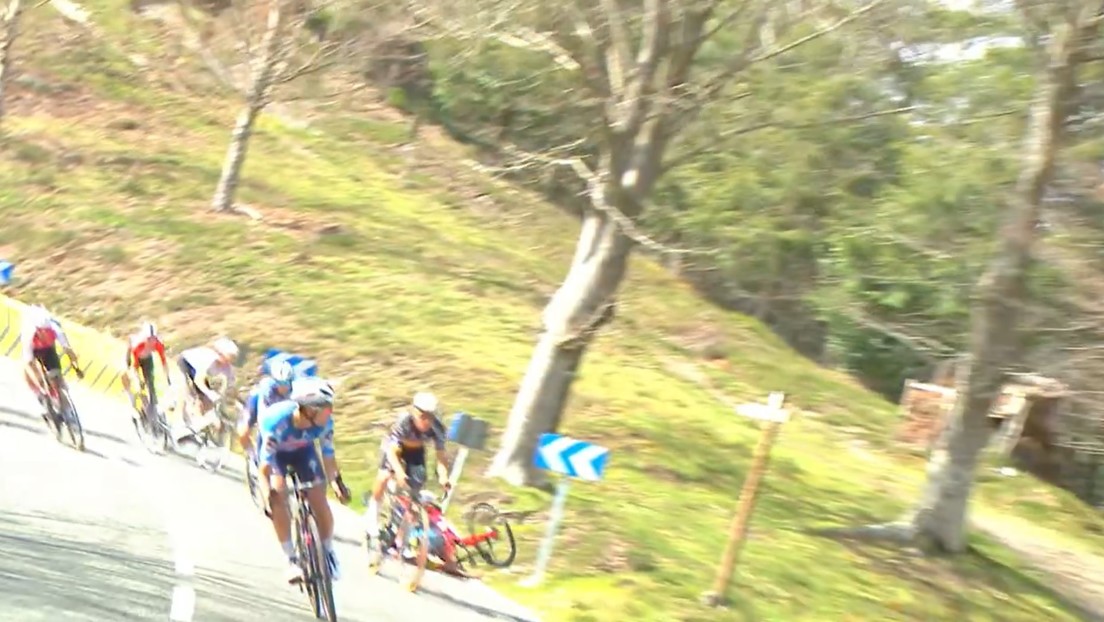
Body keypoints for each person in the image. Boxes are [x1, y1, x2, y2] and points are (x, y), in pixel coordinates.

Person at [256, 377, 350, 583]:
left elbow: (328, 457)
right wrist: (266, 495)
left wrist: (336, 482)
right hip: (276, 456)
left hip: (303, 452)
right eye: (326, 407)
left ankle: (327, 552)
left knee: (319, 498)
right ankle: (290, 558)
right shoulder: (276, 422)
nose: (330, 412)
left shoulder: (325, 424)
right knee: (277, 495)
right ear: (309, 409)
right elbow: (265, 468)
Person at [364, 391, 452, 557]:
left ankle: (400, 539)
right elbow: (392, 452)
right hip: (394, 449)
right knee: (384, 476)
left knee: (415, 494)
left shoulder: (438, 427)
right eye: (422, 416)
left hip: (415, 451)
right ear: (414, 412)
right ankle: (372, 514)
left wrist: (443, 477)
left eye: (430, 417)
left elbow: (441, 457)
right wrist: (397, 471)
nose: (426, 421)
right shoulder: (404, 421)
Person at [20, 305, 82, 418]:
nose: (45, 334)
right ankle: (41, 398)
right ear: (37, 330)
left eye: (47, 331)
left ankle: (66, 408)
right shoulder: (28, 333)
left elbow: (69, 351)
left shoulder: (55, 329)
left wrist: (76, 368)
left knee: (56, 376)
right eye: (42, 332)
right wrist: (40, 385)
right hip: (34, 349)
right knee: (29, 375)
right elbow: (28, 363)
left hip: (48, 348)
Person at [174, 337, 239, 433]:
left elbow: (231, 387)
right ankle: (178, 424)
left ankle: (203, 429)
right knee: (189, 395)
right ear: (221, 354)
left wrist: (234, 401)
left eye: (233, 358)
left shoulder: (227, 366)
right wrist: (211, 394)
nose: (230, 361)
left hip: (198, 372)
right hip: (185, 363)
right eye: (229, 357)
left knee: (208, 403)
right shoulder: (210, 360)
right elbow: (198, 380)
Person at [237, 359, 295, 454]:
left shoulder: (294, 391)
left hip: (278, 409)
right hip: (256, 402)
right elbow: (263, 416)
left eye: (287, 383)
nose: (284, 386)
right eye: (280, 383)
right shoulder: (267, 388)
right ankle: (252, 456)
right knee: (243, 432)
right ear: (274, 381)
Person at [121, 321, 172, 417]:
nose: (152, 342)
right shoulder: (138, 346)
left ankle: (153, 407)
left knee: (151, 383)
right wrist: (138, 380)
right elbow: (134, 367)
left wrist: (168, 379)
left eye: (154, 339)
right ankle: (134, 407)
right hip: (134, 358)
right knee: (137, 384)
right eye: (149, 339)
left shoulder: (158, 344)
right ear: (145, 339)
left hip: (147, 359)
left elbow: (164, 363)